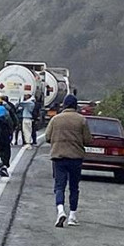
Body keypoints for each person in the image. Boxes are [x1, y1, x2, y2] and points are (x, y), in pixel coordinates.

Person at [44, 94, 92, 227]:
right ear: (75, 106)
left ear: (64, 105)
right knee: (74, 187)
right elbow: (88, 139)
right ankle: (72, 216)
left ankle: (60, 210)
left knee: (59, 186)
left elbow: (47, 137)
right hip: (75, 158)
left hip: (59, 157)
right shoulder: (81, 120)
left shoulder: (55, 119)